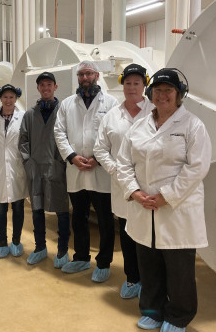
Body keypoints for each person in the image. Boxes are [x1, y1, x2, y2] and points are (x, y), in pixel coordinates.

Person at [117, 68, 211, 332]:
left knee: (179, 269)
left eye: (168, 90)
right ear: (151, 94)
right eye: (157, 90)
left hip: (176, 209)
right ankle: (152, 309)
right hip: (143, 206)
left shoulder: (192, 125)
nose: (162, 95)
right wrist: (134, 192)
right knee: (149, 263)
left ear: (179, 95)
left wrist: (166, 197)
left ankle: (178, 316)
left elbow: (197, 167)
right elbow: (123, 163)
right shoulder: (139, 126)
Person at [54, 60, 119, 282]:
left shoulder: (111, 103)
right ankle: (81, 257)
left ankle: (104, 262)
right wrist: (72, 157)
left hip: (100, 170)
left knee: (104, 219)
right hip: (76, 169)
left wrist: (98, 159)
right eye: (81, 74)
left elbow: (114, 133)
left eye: (89, 73)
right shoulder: (67, 104)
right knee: (79, 217)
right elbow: (59, 132)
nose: (84, 78)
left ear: (97, 76)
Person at [93, 63, 154, 298]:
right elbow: (100, 148)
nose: (131, 87)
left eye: (136, 83)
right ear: (122, 85)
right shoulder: (112, 116)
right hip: (121, 185)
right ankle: (132, 278)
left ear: (144, 85)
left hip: (150, 184)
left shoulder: (155, 111)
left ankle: (150, 281)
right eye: (128, 83)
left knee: (149, 236)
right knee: (127, 233)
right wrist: (115, 170)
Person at [19, 72, 70, 268]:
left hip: (59, 168)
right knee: (37, 210)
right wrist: (29, 163)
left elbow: (69, 138)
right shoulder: (30, 115)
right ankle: (40, 248)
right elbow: (23, 141)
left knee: (62, 212)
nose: (46, 88)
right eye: (42, 85)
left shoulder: (64, 111)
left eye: (49, 84)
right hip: (36, 169)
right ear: (38, 89)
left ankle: (63, 250)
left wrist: (63, 162)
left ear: (55, 87)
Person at [0, 84, 28, 258]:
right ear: (0, 98)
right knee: (0, 207)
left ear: (16, 99)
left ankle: (16, 241)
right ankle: (3, 242)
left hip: (16, 167)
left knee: (19, 207)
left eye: (11, 97)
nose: (8, 100)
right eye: (5, 97)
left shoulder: (23, 117)